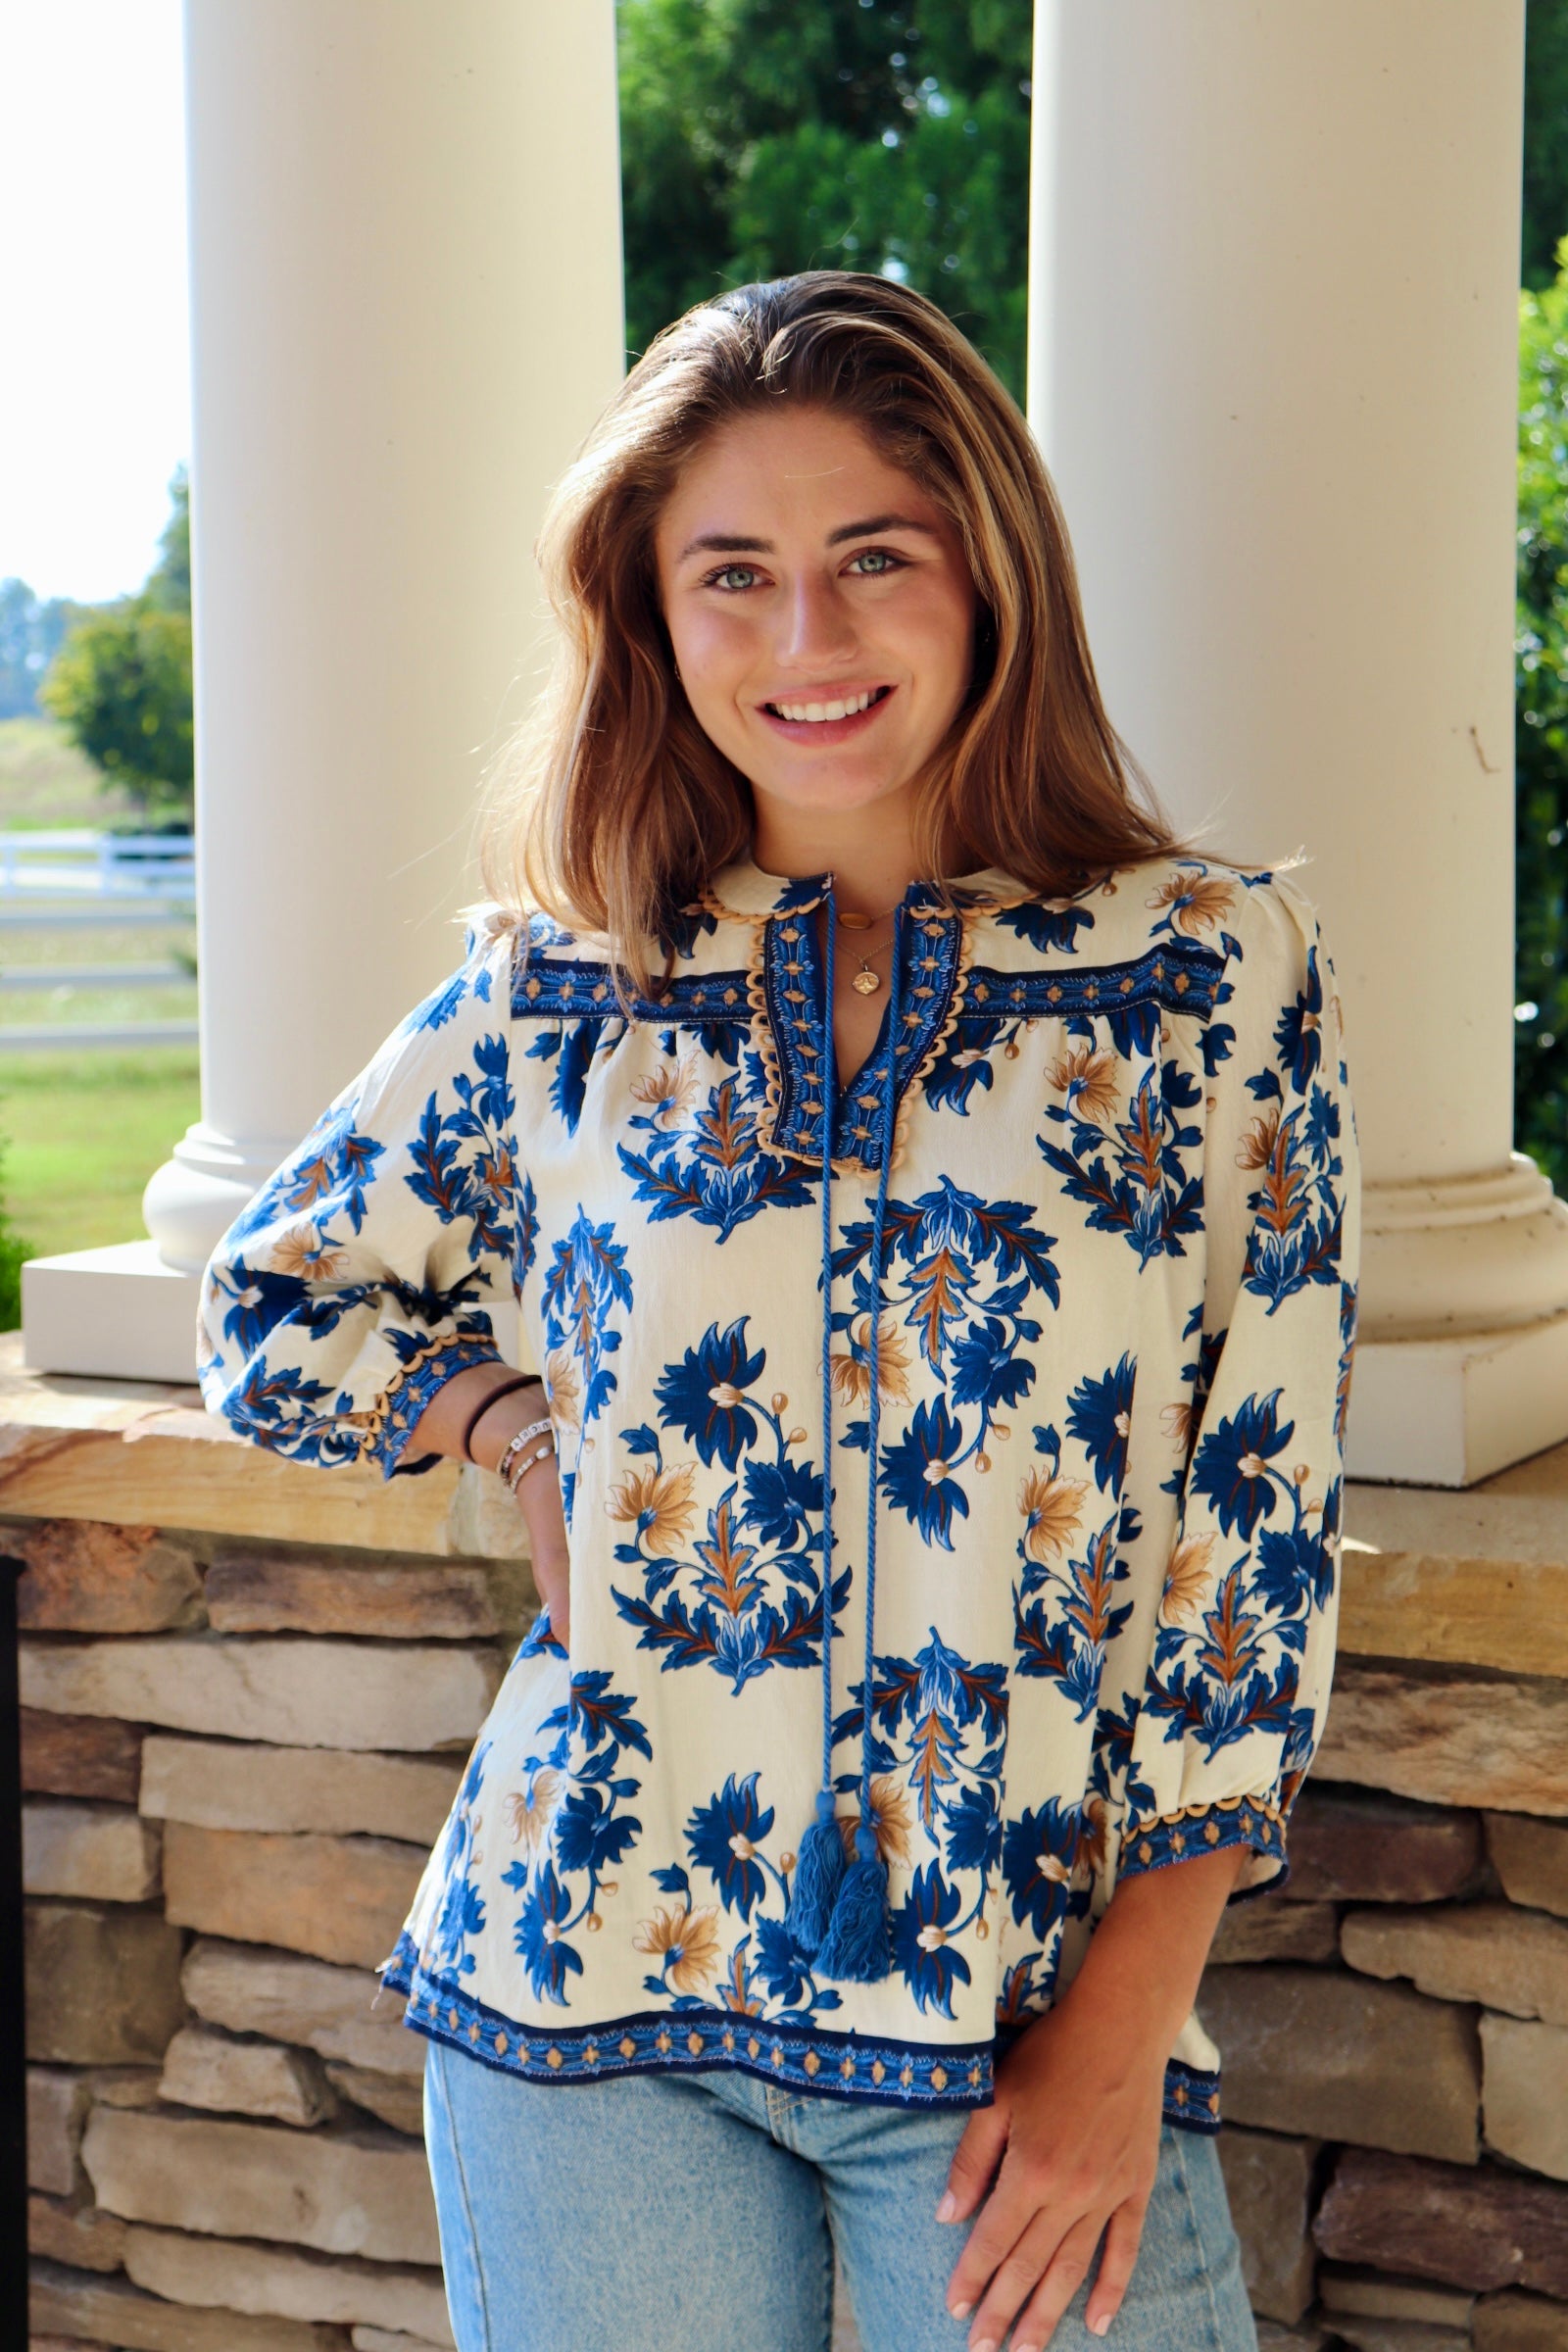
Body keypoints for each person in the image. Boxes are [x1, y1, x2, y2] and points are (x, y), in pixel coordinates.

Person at [198, 271, 1359, 2352]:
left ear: (983, 578)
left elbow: (1248, 1534)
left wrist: (1122, 2027)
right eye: (730, 575)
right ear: (648, 620)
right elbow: (275, 1304)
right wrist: (515, 1429)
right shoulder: (549, 996)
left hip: (1017, 2023)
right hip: (580, 1991)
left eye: (868, 562)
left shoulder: (1203, 976)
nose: (804, 641)